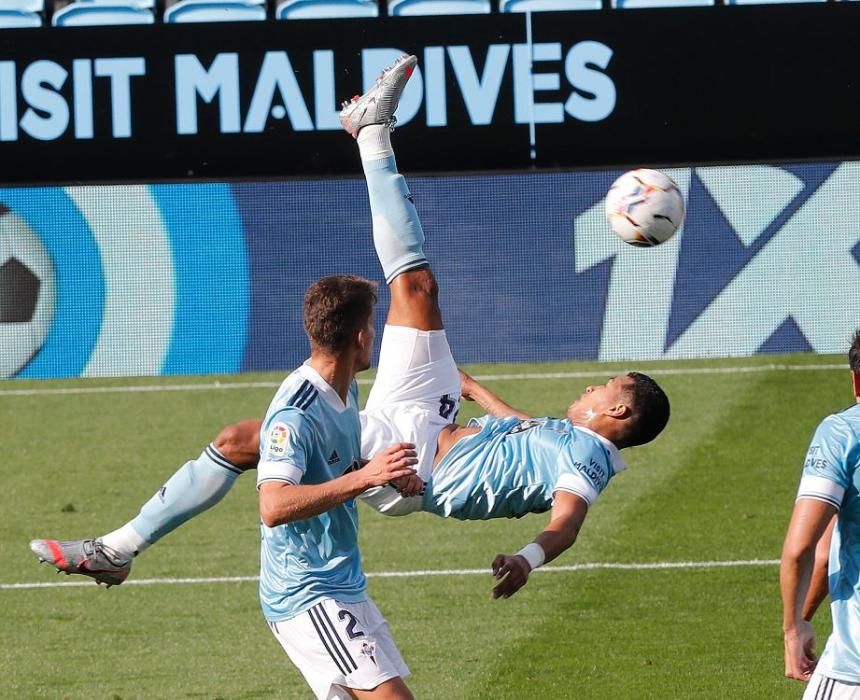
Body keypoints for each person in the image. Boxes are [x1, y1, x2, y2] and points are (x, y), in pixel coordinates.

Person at [32, 54, 671, 602]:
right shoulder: (563, 436)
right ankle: (371, 131)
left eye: (601, 386)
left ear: (617, 408)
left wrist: (528, 559)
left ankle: (118, 546)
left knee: (238, 441)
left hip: (407, 464)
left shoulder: (590, 457)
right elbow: (523, 434)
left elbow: (567, 521)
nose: (589, 387)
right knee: (417, 287)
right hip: (434, 409)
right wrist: (475, 390)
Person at [254, 274, 417, 700]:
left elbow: (332, 468)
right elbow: (272, 505)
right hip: (307, 592)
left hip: (342, 581)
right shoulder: (295, 413)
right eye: (374, 326)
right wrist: (366, 477)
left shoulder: (345, 388)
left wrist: (382, 472)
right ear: (361, 335)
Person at [781, 329, 860, 699]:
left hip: (853, 667)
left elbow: (805, 549)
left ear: (855, 380)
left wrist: (795, 626)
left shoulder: (842, 433)